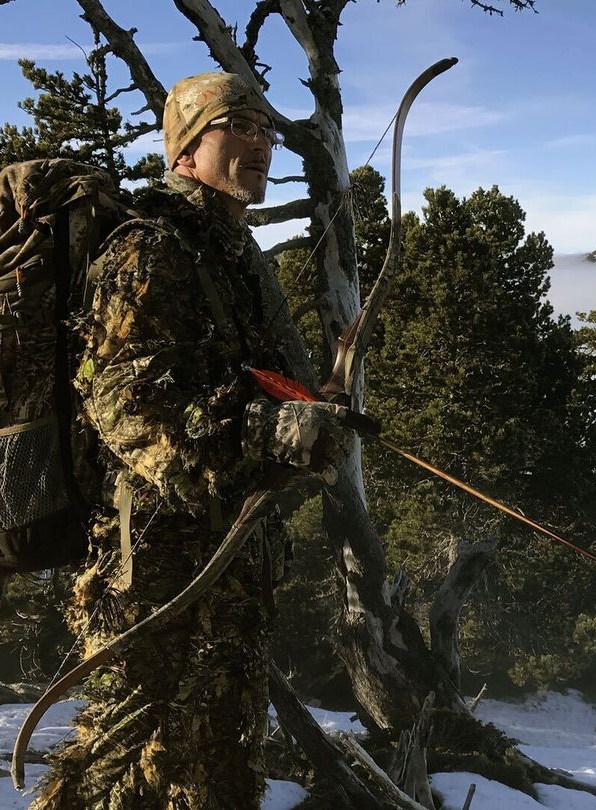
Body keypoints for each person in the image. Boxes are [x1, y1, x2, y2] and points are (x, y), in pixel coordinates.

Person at [33, 72, 358, 809]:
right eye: (237, 126)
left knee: (217, 763)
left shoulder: (238, 256)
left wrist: (316, 413)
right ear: (185, 152)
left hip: (232, 559)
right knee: (116, 765)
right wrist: (270, 430)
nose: (261, 142)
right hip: (151, 564)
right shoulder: (150, 250)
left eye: (267, 130)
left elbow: (283, 388)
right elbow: (126, 407)